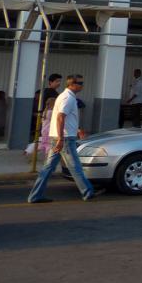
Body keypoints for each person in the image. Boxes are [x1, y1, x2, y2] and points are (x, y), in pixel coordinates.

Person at [28, 74, 103, 203]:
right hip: (65, 138)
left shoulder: (66, 96)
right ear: (72, 84)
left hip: (60, 137)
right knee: (75, 166)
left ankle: (35, 195)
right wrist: (61, 139)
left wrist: (77, 130)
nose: (82, 85)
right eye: (80, 83)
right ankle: (87, 192)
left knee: (48, 168)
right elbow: (60, 117)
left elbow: (66, 118)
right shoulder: (68, 98)